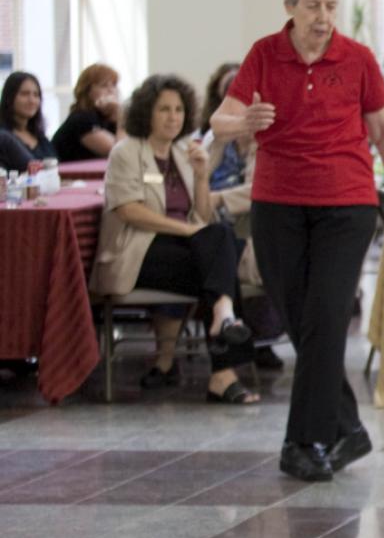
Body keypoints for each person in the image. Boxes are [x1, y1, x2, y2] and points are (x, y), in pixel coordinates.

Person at [211, 0, 384, 482]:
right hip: (277, 203)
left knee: (325, 317)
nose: (324, 17)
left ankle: (305, 440)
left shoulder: (358, 58)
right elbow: (219, 120)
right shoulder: (264, 54)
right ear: (290, 8)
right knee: (305, 323)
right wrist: (244, 121)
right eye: (313, 6)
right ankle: (348, 427)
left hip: (346, 203)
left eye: (330, 6)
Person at [91, 74, 259, 404]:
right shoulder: (126, 153)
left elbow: (202, 214)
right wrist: (185, 230)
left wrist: (199, 177)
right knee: (220, 263)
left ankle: (223, 323)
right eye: (164, 109)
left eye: (179, 110)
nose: (173, 117)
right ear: (146, 113)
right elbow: (129, 211)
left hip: (183, 250)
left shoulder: (184, 151)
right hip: (137, 252)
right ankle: (223, 365)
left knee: (217, 251)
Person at [199, 61, 285, 371]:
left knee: (223, 251)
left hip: (247, 229)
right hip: (209, 224)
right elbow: (196, 177)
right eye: (230, 99)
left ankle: (235, 348)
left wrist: (217, 199)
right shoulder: (214, 138)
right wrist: (221, 139)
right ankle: (228, 342)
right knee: (209, 249)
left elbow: (259, 189)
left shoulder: (268, 139)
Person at [51, 63, 122, 162]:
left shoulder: (107, 118)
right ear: (87, 91)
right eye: (104, 85)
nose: (111, 90)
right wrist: (121, 114)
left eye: (114, 85)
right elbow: (118, 153)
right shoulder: (82, 118)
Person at [1, 71, 52, 172]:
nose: (32, 100)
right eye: (24, 94)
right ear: (9, 98)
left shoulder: (39, 136)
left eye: (36, 95)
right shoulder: (3, 138)